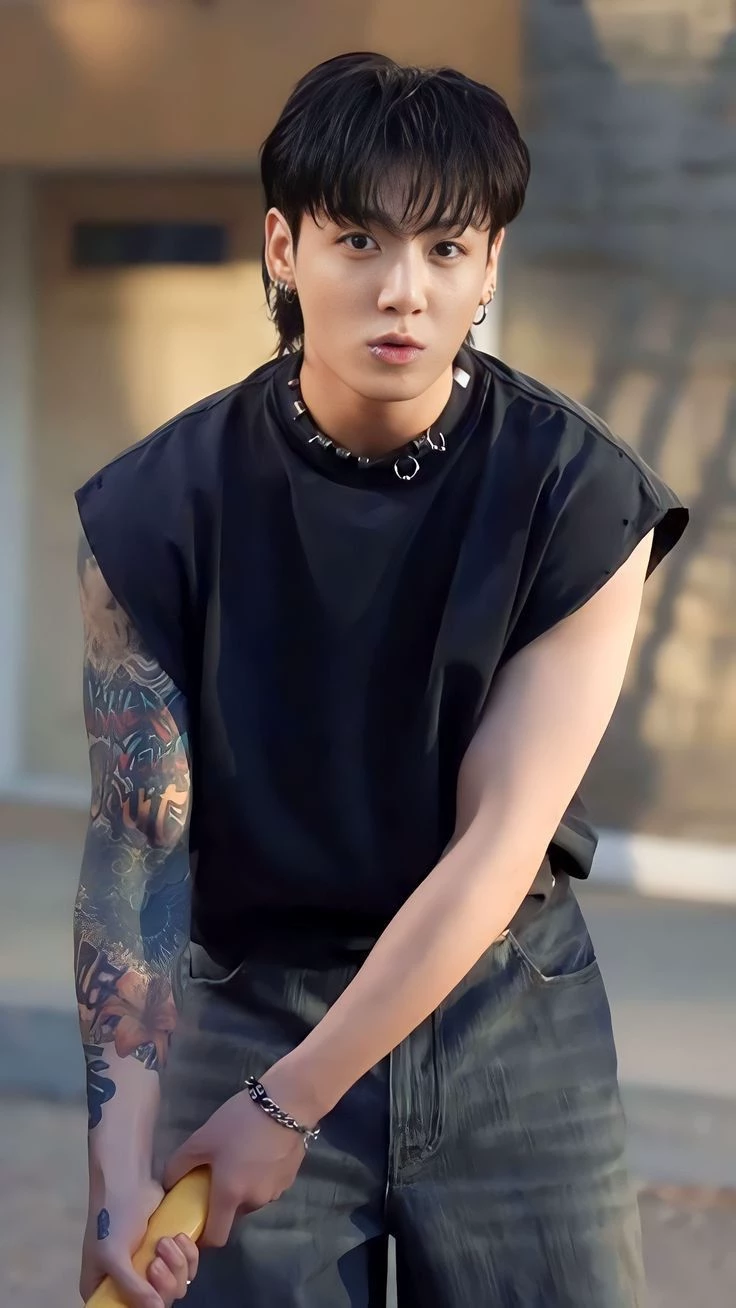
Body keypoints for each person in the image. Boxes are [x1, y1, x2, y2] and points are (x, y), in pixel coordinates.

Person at [74, 51, 688, 1308]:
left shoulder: (578, 494)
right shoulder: (156, 508)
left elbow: (497, 843)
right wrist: (115, 1171)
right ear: (283, 248)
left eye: (446, 248)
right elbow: (138, 848)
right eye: (358, 240)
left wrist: (287, 1105)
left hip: (506, 1013)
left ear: (489, 266)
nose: (403, 290)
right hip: (250, 1000)